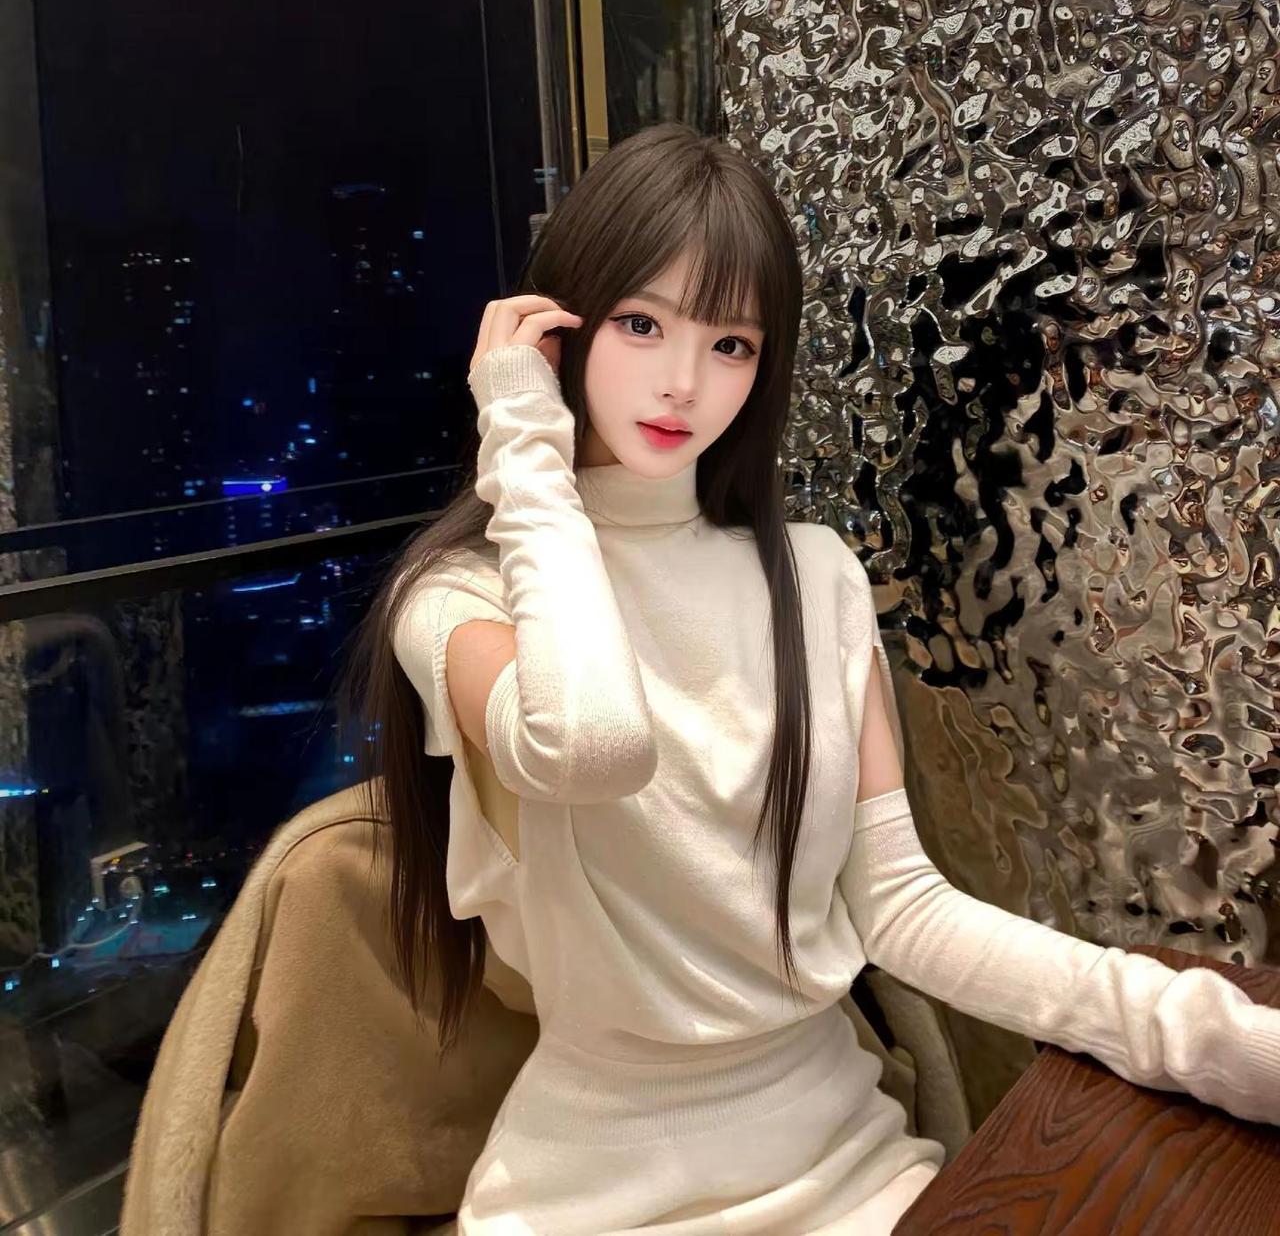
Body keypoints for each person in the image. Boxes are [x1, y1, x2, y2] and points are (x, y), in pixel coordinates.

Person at [345, 122, 1280, 1234]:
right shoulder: (462, 597)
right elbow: (591, 744)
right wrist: (523, 452)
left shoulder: (814, 575)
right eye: (641, 323)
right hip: (590, 1185)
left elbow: (902, 909)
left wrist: (1211, 1041)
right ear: (559, 328)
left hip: (844, 1161)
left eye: (730, 343)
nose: (683, 382)